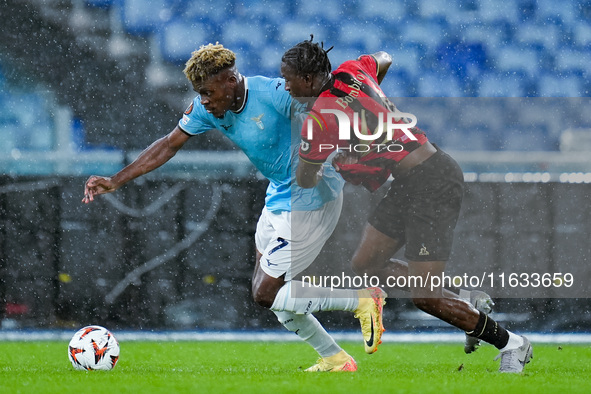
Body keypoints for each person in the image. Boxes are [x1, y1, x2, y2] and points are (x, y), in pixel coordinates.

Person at [82, 43, 386, 372]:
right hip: (279, 195)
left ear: (230, 81)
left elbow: (334, 101)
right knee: (272, 294)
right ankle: (334, 358)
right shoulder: (207, 107)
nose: (204, 101)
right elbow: (169, 144)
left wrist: (365, 106)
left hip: (312, 197)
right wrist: (116, 180)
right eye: (200, 93)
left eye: (208, 92)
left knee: (265, 293)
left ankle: (362, 299)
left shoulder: (275, 95)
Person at [281, 37, 533, 373]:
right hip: (411, 181)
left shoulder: (321, 119)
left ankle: (512, 344)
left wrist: (315, 161)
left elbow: (306, 179)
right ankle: (464, 296)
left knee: (424, 297)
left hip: (432, 181)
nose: (285, 86)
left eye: (288, 79)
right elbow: (383, 58)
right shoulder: (353, 70)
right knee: (366, 263)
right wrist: (372, 100)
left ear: (309, 80)